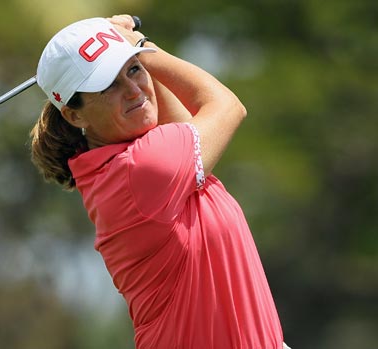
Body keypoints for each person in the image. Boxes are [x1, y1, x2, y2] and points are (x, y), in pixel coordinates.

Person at [30, 15, 289, 349]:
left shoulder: (126, 166)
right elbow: (226, 106)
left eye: (134, 69)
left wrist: (131, 47)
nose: (133, 90)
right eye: (109, 85)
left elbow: (176, 119)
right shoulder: (142, 168)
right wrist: (142, 45)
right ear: (73, 114)